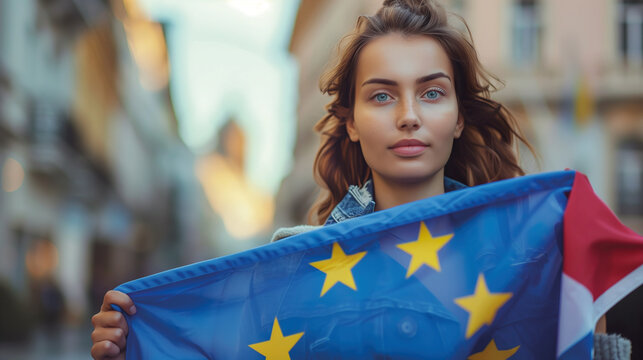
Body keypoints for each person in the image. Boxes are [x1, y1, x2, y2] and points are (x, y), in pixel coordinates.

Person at [90, 0, 631, 359]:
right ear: (349, 121)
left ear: (460, 116)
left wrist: (592, 322)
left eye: (433, 92)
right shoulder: (289, 267)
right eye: (380, 95)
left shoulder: (531, 255)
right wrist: (136, 343)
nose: (408, 115)